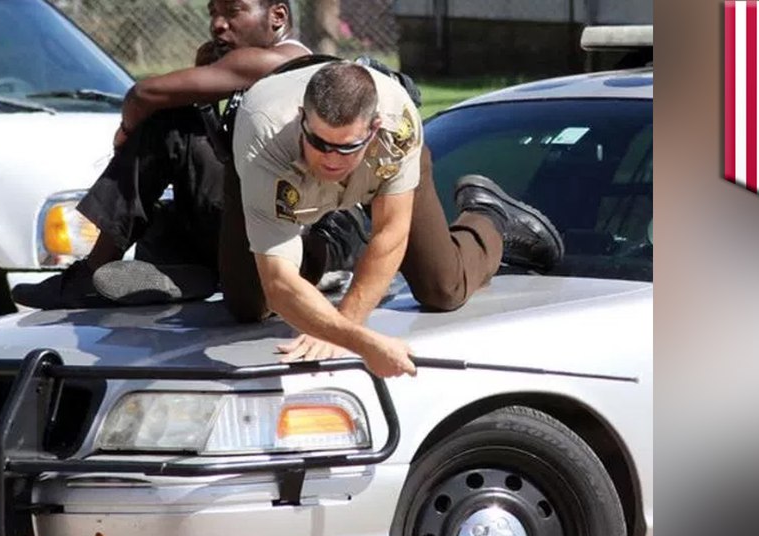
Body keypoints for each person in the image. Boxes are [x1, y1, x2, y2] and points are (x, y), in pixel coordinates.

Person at [12, 0, 365, 309]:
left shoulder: (284, 58)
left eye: (233, 10)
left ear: (277, 16)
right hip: (271, 225)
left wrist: (127, 133)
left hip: (314, 237)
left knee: (168, 123)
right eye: (213, 12)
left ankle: (92, 274)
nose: (218, 24)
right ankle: (184, 272)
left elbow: (143, 94)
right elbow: (226, 152)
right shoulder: (251, 70)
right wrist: (204, 95)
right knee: (182, 142)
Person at [221, 60, 565, 378]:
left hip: (380, 171)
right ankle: (335, 235)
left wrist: (344, 328)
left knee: (443, 288)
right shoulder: (265, 134)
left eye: (345, 147)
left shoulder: (397, 125)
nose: (330, 158)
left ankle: (491, 217)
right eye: (318, 142)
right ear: (301, 118)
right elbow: (279, 283)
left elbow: (390, 233)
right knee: (250, 304)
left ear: (374, 129)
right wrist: (360, 341)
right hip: (269, 168)